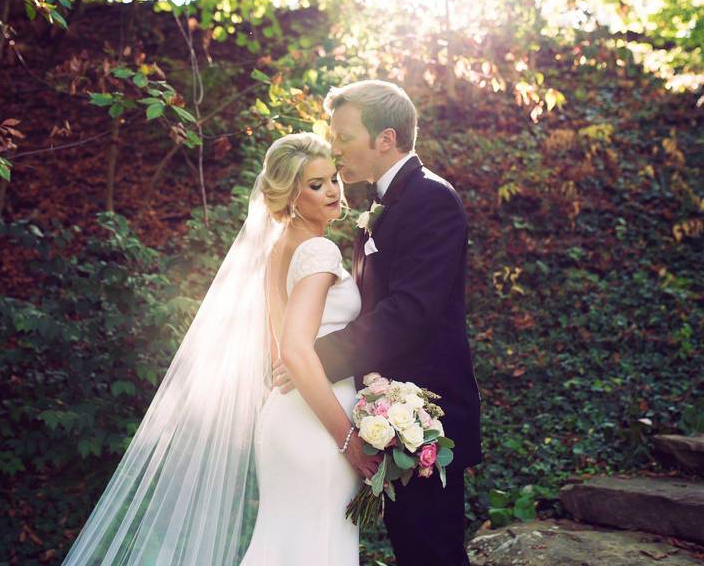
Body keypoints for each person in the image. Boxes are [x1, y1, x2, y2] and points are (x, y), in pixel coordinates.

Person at [61, 133, 376, 566]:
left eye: (333, 178)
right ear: (290, 196)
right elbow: (295, 353)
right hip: (319, 428)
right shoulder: (318, 250)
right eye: (316, 185)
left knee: (282, 547)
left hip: (286, 420)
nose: (334, 190)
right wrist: (349, 441)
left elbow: (276, 350)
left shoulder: (278, 248)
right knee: (319, 548)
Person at [273, 80, 483, 566]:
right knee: (413, 548)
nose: (335, 147)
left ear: (384, 139)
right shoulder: (384, 206)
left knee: (433, 552)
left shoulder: (431, 199)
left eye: (343, 136)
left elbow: (408, 312)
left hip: (429, 416)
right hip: (388, 413)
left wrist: (315, 359)